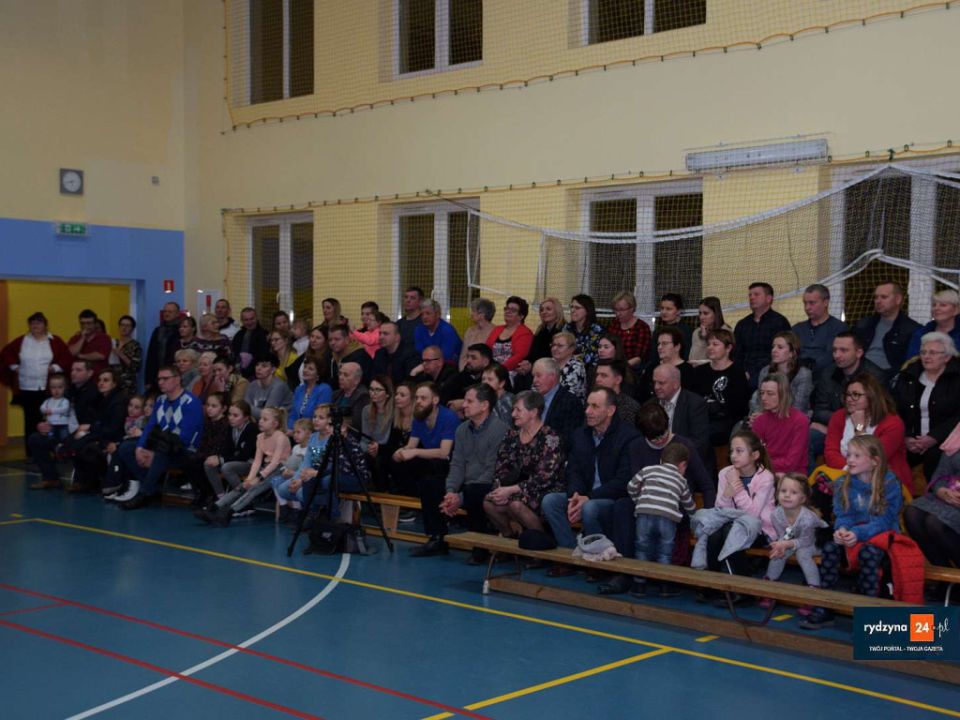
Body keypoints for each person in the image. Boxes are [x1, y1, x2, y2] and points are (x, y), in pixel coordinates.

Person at [800, 436, 905, 630]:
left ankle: (867, 612)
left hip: (881, 537)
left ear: (874, 461)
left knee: (869, 553)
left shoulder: (889, 483)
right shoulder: (843, 482)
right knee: (830, 548)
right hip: (854, 536)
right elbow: (843, 515)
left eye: (857, 456)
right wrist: (841, 529)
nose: (850, 460)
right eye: (849, 455)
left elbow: (884, 521)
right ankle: (825, 606)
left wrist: (857, 532)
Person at [541, 388, 639, 566]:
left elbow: (624, 481)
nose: (587, 411)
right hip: (585, 495)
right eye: (587, 405)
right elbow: (573, 470)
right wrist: (576, 494)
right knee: (550, 501)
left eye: (595, 406)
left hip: (613, 498)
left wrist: (589, 498)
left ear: (610, 410)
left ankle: (598, 561)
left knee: (590, 508)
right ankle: (571, 554)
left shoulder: (628, 437)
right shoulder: (581, 434)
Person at [116, 365, 204, 510]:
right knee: (126, 447)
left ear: (177, 379)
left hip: (185, 451)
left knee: (162, 451)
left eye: (165, 379)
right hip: (162, 445)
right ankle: (151, 487)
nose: (161, 382)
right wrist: (140, 447)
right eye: (159, 379)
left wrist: (153, 452)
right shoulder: (160, 400)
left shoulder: (191, 402)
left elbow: (185, 439)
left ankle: (145, 493)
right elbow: (150, 426)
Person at [440, 384, 510, 562]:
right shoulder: (462, 429)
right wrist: (451, 491)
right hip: (469, 483)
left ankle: (480, 548)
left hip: (492, 482)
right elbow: (457, 464)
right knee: (431, 484)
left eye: (469, 401)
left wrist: (461, 496)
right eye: (465, 400)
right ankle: (438, 539)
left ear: (484, 405)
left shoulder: (499, 429)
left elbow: (492, 469)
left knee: (474, 491)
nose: (464, 405)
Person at [483, 391, 564, 545]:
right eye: (513, 409)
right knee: (489, 502)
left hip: (545, 490)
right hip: (514, 489)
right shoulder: (512, 435)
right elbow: (501, 467)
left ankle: (542, 543)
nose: (513, 414)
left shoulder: (550, 438)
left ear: (533, 412)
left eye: (518, 410)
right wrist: (500, 489)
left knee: (516, 504)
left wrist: (511, 490)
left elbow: (545, 478)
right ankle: (510, 540)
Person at [698, 430, 776, 587]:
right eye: (732, 451)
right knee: (713, 532)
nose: (733, 455)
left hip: (760, 529)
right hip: (732, 524)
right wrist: (727, 496)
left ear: (754, 455)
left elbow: (753, 514)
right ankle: (711, 583)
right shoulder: (725, 473)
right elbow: (721, 510)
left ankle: (744, 587)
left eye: (739, 451)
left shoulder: (766, 478)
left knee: (732, 532)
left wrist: (736, 487)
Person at [393, 382, 460, 556]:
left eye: (423, 398)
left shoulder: (448, 417)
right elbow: (411, 445)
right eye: (417, 398)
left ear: (435, 400)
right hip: (432, 465)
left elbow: (444, 452)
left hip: (452, 466)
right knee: (399, 462)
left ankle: (438, 537)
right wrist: (400, 452)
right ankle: (434, 534)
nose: (418, 402)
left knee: (430, 481)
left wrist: (414, 452)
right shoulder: (419, 417)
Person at [200, 406, 291, 526]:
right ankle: (215, 507)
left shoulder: (280, 437)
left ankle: (229, 512)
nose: (260, 421)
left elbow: (275, 462)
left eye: (265, 419)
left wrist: (258, 478)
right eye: (260, 418)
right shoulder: (260, 437)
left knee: (254, 488)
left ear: (275, 424)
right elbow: (257, 461)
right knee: (242, 486)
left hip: (280, 468)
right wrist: (249, 478)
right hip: (266, 468)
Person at [627, 441, 696, 598]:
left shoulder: (648, 469)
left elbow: (631, 486)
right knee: (665, 552)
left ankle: (639, 585)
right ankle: (664, 586)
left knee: (642, 548)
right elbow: (689, 504)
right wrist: (694, 519)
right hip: (668, 518)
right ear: (683, 465)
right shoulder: (681, 480)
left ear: (661, 460)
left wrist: (639, 501)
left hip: (644, 513)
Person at [809, 331, 886, 471]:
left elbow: (877, 413)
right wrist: (838, 425)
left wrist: (838, 426)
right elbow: (819, 412)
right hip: (835, 428)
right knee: (806, 437)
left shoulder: (875, 377)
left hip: (867, 430)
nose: (837, 355)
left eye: (843, 350)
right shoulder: (828, 373)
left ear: (859, 352)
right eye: (834, 350)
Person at [823, 373, 911, 492]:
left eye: (856, 395)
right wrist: (849, 470)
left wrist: (859, 428)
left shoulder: (893, 423)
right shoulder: (839, 416)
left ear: (872, 396)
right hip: (844, 474)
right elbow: (830, 452)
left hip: (884, 482)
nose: (849, 399)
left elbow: (873, 459)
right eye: (847, 394)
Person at [894, 331, 960, 480]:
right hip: (909, 440)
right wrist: (906, 437)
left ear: (947, 357)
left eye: (933, 353)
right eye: (923, 352)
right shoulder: (908, 375)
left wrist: (934, 437)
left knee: (935, 462)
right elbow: (894, 408)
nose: (926, 356)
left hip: (945, 441)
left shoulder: (956, 379)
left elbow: (957, 417)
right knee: (890, 460)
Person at [0, 311, 72, 442]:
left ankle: (51, 448)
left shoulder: (55, 341)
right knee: (30, 420)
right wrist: (14, 367)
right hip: (27, 387)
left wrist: (55, 367)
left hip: (48, 388)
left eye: (38, 323)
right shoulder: (21, 341)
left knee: (50, 419)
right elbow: (6, 354)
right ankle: (31, 450)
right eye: (32, 323)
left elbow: (67, 357)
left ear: (45, 325)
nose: (35, 325)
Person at [26, 360, 99, 490]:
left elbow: (94, 420)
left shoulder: (94, 393)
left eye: (78, 370)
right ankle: (50, 478)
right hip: (60, 430)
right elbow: (48, 409)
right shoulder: (66, 390)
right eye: (72, 370)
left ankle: (83, 481)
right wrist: (43, 424)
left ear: (90, 373)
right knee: (35, 438)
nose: (73, 373)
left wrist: (83, 430)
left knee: (79, 442)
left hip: (83, 433)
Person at [904, 422, 960, 575]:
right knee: (912, 513)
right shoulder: (957, 434)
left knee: (935, 523)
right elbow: (940, 474)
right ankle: (945, 575)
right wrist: (941, 490)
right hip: (950, 496)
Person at [763, 473, 826, 604]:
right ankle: (769, 586)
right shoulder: (776, 514)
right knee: (779, 552)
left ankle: (814, 592)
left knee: (802, 553)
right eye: (783, 491)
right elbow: (785, 534)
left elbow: (807, 541)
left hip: (819, 540)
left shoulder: (808, 518)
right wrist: (781, 545)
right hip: (796, 539)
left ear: (802, 499)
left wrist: (786, 543)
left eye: (793, 492)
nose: (787, 495)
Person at [69, 368, 128, 493]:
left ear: (114, 383)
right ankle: (85, 481)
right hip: (102, 435)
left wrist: (90, 428)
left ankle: (93, 481)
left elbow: (114, 429)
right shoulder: (102, 399)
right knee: (77, 440)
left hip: (113, 439)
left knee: (85, 448)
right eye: (100, 380)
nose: (101, 383)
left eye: (106, 380)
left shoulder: (118, 403)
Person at [690, 329, 751, 449]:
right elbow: (692, 400)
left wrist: (713, 408)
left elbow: (739, 407)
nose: (710, 348)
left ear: (728, 348)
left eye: (715, 344)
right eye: (709, 344)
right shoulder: (699, 371)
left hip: (725, 422)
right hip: (701, 419)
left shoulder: (737, 372)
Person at [854, 281, 921, 381]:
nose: (878, 301)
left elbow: (910, 364)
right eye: (876, 297)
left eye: (884, 297)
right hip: (859, 373)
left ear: (898, 299)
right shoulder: (863, 324)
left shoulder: (912, 329)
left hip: (888, 379)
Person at [650, 363, 711, 467]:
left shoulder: (695, 404)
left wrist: (672, 462)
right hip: (656, 463)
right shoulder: (650, 405)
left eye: (661, 383)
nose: (656, 387)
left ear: (676, 384)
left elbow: (699, 443)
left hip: (687, 464)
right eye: (654, 382)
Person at [733, 282, 791, 389]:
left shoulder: (779, 322)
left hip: (769, 372)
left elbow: (778, 354)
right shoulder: (742, 324)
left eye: (756, 294)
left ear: (769, 299)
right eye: (750, 295)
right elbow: (736, 353)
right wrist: (741, 372)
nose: (751, 298)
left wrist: (751, 372)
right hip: (743, 372)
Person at [750, 373, 809, 475]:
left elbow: (791, 463)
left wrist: (762, 464)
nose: (763, 398)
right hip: (765, 471)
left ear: (783, 394)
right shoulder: (759, 421)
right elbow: (754, 455)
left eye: (770, 393)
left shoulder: (800, 420)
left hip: (793, 475)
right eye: (762, 393)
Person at [181, 391, 232, 507]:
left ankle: (210, 493)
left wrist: (202, 455)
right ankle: (202, 491)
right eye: (208, 405)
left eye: (214, 406)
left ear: (224, 408)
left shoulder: (226, 424)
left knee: (197, 462)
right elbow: (203, 442)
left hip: (218, 456)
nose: (209, 409)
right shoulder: (207, 422)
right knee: (187, 459)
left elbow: (220, 445)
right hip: (206, 454)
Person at [203, 400, 258, 504]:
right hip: (237, 460)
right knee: (208, 463)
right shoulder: (231, 427)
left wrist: (221, 459)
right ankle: (221, 497)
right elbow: (227, 449)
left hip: (251, 463)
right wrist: (217, 457)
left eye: (235, 415)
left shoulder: (252, 429)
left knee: (227, 467)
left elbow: (245, 456)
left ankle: (244, 500)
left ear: (246, 417)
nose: (231, 418)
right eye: (229, 414)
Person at [748, 331, 813, 415]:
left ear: (792, 353)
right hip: (767, 416)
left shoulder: (803, 374)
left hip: (793, 418)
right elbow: (760, 400)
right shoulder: (765, 371)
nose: (774, 350)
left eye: (780, 347)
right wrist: (758, 415)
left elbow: (798, 407)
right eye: (773, 347)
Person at [792, 284, 847, 372]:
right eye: (805, 303)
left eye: (812, 303)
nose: (807, 308)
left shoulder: (838, 328)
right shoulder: (797, 329)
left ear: (825, 302)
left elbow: (831, 356)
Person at [531, 357, 583, 450]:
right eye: (533, 376)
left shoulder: (571, 403)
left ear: (553, 376)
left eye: (538, 376)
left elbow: (569, 439)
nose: (534, 381)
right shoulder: (532, 399)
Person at [514, 297, 565, 390]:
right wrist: (526, 363)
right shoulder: (540, 331)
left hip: (553, 369)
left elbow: (554, 356)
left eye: (548, 309)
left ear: (557, 311)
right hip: (536, 368)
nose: (544, 312)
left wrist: (532, 366)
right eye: (541, 310)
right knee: (519, 377)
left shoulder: (564, 330)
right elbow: (532, 353)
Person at [637, 327, 694, 401]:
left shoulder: (688, 371)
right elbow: (640, 395)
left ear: (677, 347)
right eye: (658, 344)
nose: (659, 347)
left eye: (664, 343)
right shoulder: (651, 368)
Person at [273, 418, 313, 523]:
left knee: (295, 487)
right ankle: (283, 506)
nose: (295, 435)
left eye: (298, 432)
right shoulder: (295, 448)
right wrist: (285, 470)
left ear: (309, 434)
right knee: (275, 481)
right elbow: (290, 464)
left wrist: (294, 474)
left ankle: (297, 509)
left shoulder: (310, 448)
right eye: (294, 432)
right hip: (292, 476)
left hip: (301, 477)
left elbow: (307, 469)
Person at [904, 288, 960, 363]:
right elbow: (911, 362)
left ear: (956, 310)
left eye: (943, 305)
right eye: (934, 305)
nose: (936, 308)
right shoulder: (920, 333)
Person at [361, 375, 395, 490]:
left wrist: (377, 447)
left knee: (379, 460)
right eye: (371, 389)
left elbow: (387, 438)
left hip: (385, 448)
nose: (373, 393)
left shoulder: (394, 411)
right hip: (371, 449)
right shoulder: (366, 410)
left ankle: (383, 491)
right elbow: (364, 438)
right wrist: (369, 448)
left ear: (387, 393)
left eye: (378, 390)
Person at [485, 296, 533, 377]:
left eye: (513, 310)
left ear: (521, 315)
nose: (508, 311)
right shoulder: (497, 329)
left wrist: (498, 371)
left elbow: (519, 357)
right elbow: (486, 350)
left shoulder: (525, 333)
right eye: (506, 309)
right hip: (490, 370)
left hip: (509, 372)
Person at [607, 291, 651, 371]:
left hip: (632, 369)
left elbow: (638, 358)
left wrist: (620, 368)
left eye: (621, 310)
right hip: (613, 365)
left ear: (632, 308)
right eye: (615, 310)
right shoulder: (613, 324)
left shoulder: (642, 327)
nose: (618, 314)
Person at [442, 343, 492, 412]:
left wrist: (464, 402)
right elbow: (444, 399)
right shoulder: (461, 376)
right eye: (467, 357)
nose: (468, 360)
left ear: (485, 362)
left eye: (473, 358)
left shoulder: (494, 376)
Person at [145, 301, 182, 390]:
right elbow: (151, 355)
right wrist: (148, 379)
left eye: (170, 312)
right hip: (156, 374)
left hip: (174, 373)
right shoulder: (158, 331)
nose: (166, 314)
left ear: (177, 313)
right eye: (165, 311)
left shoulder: (181, 330)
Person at [287, 357, 332, 431]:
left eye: (310, 369)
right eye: (305, 367)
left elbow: (320, 417)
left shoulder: (324, 389)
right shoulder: (299, 389)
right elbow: (293, 415)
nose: (305, 370)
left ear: (318, 374)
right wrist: (291, 429)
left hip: (314, 431)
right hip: (296, 432)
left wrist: (300, 431)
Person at [592, 359, 640, 426]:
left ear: (618, 379)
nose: (597, 379)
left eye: (603, 375)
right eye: (597, 375)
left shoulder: (629, 408)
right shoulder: (592, 401)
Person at [414, 298, 462, 364]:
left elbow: (446, 357)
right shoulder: (419, 329)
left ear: (438, 314)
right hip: (427, 363)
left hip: (450, 365)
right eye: (422, 314)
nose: (424, 317)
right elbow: (419, 352)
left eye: (428, 313)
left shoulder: (448, 331)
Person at [230, 307, 271, 379]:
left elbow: (263, 357)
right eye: (246, 320)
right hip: (237, 374)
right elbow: (234, 354)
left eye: (252, 319)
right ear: (242, 321)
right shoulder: (238, 335)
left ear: (257, 318)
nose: (249, 322)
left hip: (257, 375)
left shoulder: (264, 335)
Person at [374, 321, 420, 386]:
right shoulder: (379, 354)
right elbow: (376, 377)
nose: (381, 337)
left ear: (397, 337)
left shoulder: (411, 354)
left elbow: (410, 382)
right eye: (380, 333)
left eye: (385, 334)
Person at [67, 309, 112, 374]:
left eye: (89, 323)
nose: (86, 326)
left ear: (95, 324)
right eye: (83, 323)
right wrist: (82, 338)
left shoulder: (104, 338)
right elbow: (72, 353)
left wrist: (80, 356)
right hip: (78, 376)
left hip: (98, 375)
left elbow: (101, 356)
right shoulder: (75, 338)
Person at [564, 294, 604, 367]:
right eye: (571, 307)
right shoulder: (567, 327)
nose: (572, 310)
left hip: (591, 369)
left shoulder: (596, 329)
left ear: (587, 310)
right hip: (568, 366)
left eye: (577, 308)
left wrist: (569, 358)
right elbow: (562, 349)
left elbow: (590, 355)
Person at [328, 323, 372, 389]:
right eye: (330, 340)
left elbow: (364, 380)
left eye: (337, 339)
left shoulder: (360, 356)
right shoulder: (331, 356)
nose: (332, 343)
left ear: (347, 340)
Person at [689, 296, 729, 367]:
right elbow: (693, 360)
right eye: (700, 313)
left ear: (716, 314)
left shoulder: (726, 331)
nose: (701, 317)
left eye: (706, 313)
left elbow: (721, 360)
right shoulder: (697, 332)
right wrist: (702, 339)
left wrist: (706, 340)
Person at [332, 361, 370, 433]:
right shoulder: (336, 394)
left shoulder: (363, 396)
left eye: (346, 375)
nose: (340, 377)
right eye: (340, 373)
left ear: (357, 380)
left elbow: (356, 424)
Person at [37, 374, 75, 444]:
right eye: (53, 387)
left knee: (64, 438)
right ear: (50, 389)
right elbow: (41, 408)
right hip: (50, 425)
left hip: (63, 425)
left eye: (60, 387)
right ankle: (53, 448)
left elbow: (64, 409)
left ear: (64, 388)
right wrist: (45, 410)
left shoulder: (65, 401)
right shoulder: (48, 401)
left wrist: (52, 411)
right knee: (50, 438)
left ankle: (64, 448)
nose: (56, 390)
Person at [551, 331, 587, 400]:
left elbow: (566, 396)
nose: (555, 348)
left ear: (571, 349)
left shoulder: (576, 367)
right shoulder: (549, 362)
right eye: (553, 345)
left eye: (560, 346)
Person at [461, 298, 495, 369]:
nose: (471, 314)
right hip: (468, 370)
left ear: (482, 315)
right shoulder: (470, 331)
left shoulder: (495, 331)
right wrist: (463, 371)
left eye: (473, 311)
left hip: (488, 371)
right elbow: (463, 356)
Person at [112, 314, 142, 396]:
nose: (124, 328)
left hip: (127, 385)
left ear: (132, 329)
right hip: (113, 382)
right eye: (122, 325)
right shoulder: (114, 343)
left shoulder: (135, 345)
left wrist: (121, 354)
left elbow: (136, 367)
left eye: (127, 325)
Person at [396, 286, 424, 351]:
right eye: (406, 297)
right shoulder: (399, 324)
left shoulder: (424, 322)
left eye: (412, 298)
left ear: (420, 302)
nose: (408, 300)